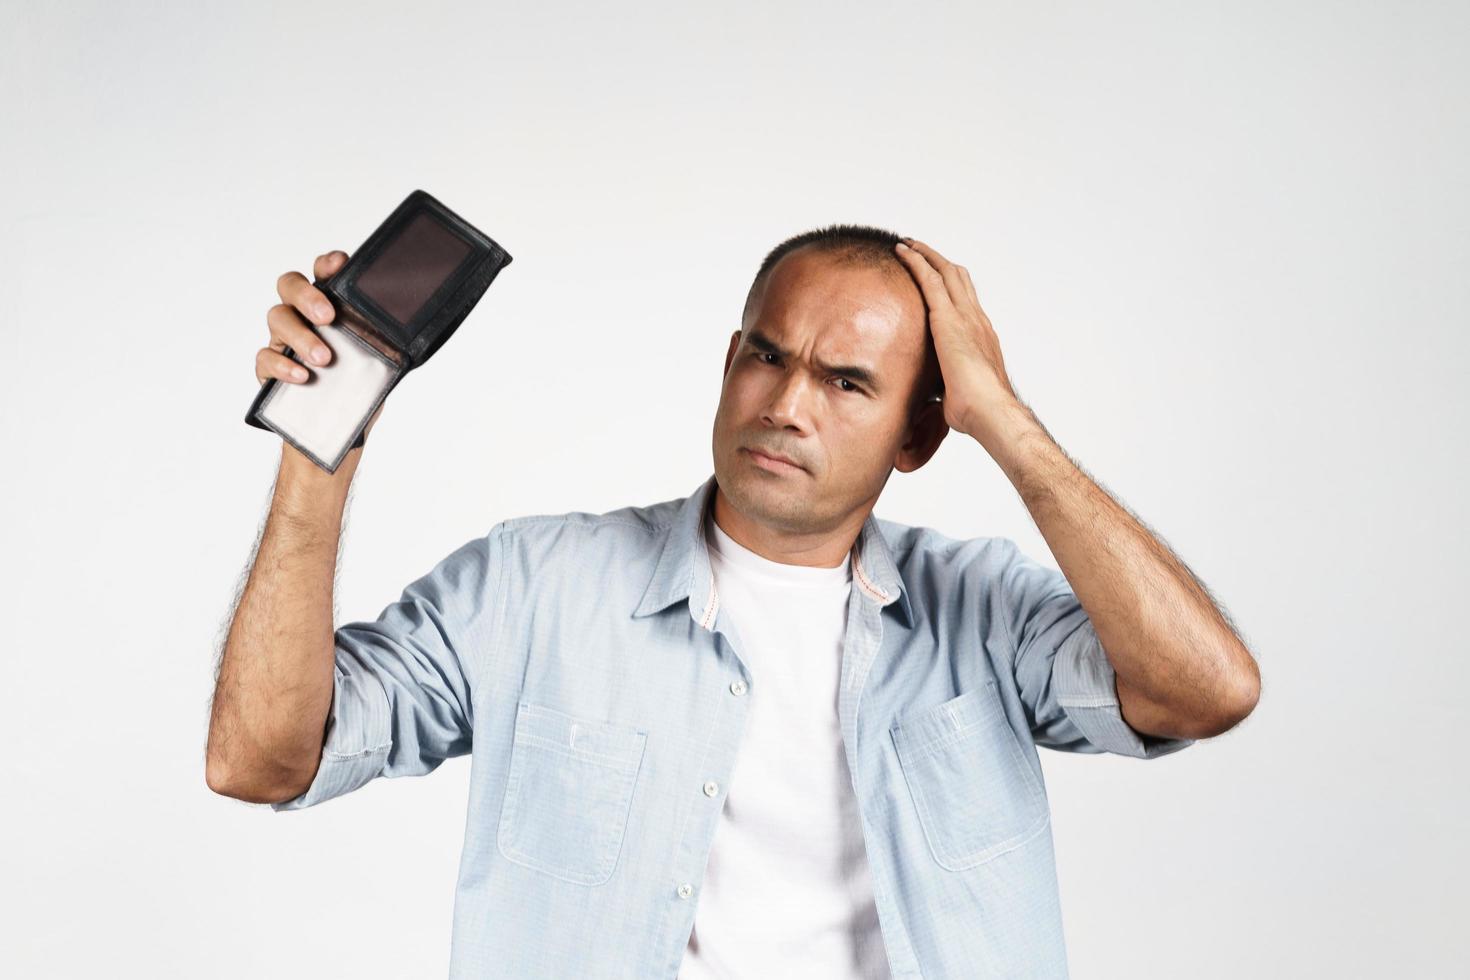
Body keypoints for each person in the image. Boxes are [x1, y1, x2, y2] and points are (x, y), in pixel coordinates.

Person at [206, 224, 1260, 979]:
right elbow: (261, 759)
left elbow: (1205, 689)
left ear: (920, 434)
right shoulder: (534, 587)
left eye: (848, 382)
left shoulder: (981, 612)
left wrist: (1010, 423)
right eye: (768, 354)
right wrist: (319, 442)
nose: (788, 404)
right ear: (729, 361)